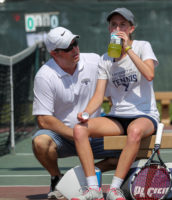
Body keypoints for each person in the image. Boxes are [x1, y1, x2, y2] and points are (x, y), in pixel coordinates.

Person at [71, 7, 160, 200]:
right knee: (79, 129)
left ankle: (114, 189)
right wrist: (85, 113)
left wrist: (128, 49)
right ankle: (93, 189)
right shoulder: (105, 59)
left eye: (122, 24)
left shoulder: (142, 46)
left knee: (134, 131)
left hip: (144, 114)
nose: (118, 28)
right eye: (114, 25)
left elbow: (149, 74)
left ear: (131, 29)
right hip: (118, 116)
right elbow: (99, 95)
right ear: (109, 29)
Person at [32, 27, 119, 199]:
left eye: (75, 43)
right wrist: (76, 135)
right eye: (68, 48)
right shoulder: (44, 76)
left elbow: (112, 95)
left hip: (95, 134)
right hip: (64, 137)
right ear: (54, 53)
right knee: (40, 142)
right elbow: (43, 119)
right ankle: (57, 178)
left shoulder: (94, 61)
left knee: (130, 149)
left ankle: (77, 176)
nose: (75, 49)